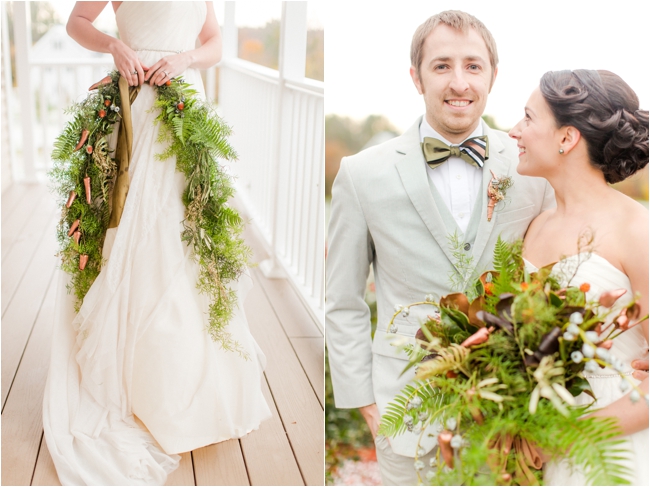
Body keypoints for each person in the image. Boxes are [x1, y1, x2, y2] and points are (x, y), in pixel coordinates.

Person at [325, 11, 649, 486]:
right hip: (410, 414)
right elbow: (343, 299)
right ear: (415, 77)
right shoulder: (361, 174)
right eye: (441, 66)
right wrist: (367, 405)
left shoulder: (530, 171)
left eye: (473, 66)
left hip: (519, 431)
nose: (459, 82)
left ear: (493, 75)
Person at [43, 2, 271, 485]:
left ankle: (181, 376)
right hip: (136, 108)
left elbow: (214, 43)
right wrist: (114, 46)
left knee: (182, 236)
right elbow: (76, 22)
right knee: (136, 232)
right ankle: (131, 375)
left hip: (183, 109)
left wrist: (185, 60)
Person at [510, 69, 648, 485]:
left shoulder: (636, 230)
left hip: (613, 450)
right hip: (538, 449)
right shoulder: (535, 227)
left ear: (567, 138)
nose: (515, 131)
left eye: (529, 118)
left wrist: (567, 436)